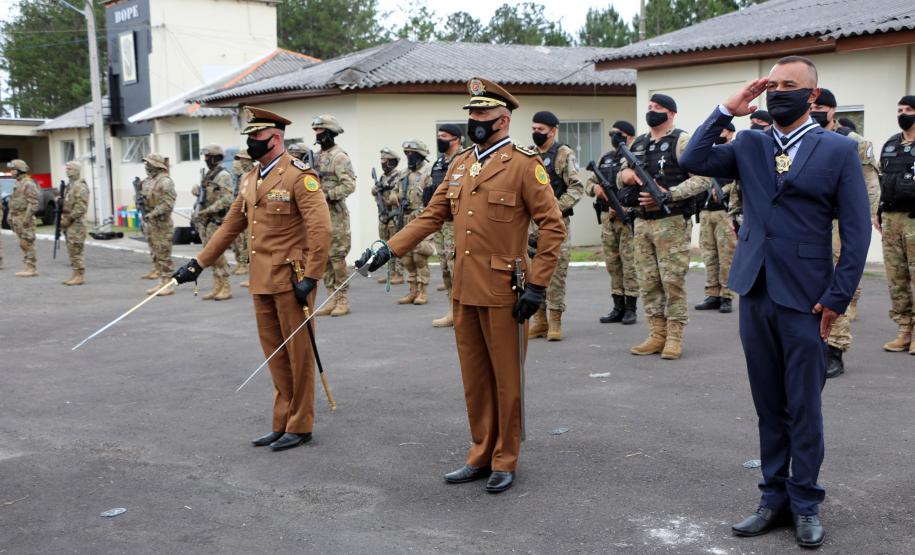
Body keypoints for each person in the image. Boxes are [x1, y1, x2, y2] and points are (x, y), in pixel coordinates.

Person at [679, 56, 871, 548]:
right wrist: (728, 108)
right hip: (757, 288)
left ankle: (805, 502)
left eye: (791, 85)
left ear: (812, 96)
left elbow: (853, 235)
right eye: (773, 84)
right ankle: (773, 498)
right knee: (768, 404)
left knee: (803, 405)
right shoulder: (749, 142)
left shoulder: (838, 150)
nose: (778, 91)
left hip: (808, 296)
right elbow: (693, 159)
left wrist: (837, 297)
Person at [355, 77, 565, 493]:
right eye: (470, 113)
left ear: (503, 119)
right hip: (465, 288)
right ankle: (480, 452)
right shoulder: (460, 163)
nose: (474, 120)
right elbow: (431, 216)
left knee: (506, 378)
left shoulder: (524, 164)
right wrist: (388, 250)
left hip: (506, 289)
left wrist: (537, 286)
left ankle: (506, 458)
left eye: (482, 113)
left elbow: (553, 228)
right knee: (474, 377)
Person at [172, 106, 332, 451]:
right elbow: (231, 226)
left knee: (299, 353)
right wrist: (198, 264)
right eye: (250, 136)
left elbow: (321, 230)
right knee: (274, 353)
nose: (251, 142)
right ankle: (282, 420)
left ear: (275, 138)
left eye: (256, 136)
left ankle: (301, 424)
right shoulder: (249, 178)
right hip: (260, 279)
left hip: (293, 279)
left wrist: (314, 276)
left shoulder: (299, 176)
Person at [617, 93, 711, 360]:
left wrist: (669, 194)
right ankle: (656, 334)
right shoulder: (639, 144)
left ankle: (674, 337)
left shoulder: (682, 141)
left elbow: (703, 179)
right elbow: (621, 174)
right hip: (642, 223)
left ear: (671, 113)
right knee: (648, 282)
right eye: (649, 108)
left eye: (657, 108)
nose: (651, 111)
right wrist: (624, 175)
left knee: (672, 282)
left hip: (671, 222)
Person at [810, 88, 881, 376]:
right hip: (811, 224)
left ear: (833, 111)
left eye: (821, 106)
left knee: (835, 283)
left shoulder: (854, 143)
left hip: (840, 224)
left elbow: (870, 186)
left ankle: (835, 349)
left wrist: (861, 222)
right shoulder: (804, 139)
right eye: (812, 105)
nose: (815, 110)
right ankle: (812, 344)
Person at [527, 111, 584, 341]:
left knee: (556, 273)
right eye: (533, 129)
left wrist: (554, 209)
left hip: (556, 223)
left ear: (553, 131)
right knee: (532, 272)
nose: (536, 133)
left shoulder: (563, 154)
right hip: (530, 226)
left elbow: (576, 188)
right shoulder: (529, 155)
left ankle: (555, 322)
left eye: (540, 130)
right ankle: (539, 321)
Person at [587, 120, 639, 325]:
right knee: (613, 263)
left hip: (627, 219)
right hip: (607, 220)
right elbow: (589, 183)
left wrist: (628, 208)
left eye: (618, 134)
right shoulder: (605, 158)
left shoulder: (633, 157)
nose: (613, 138)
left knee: (629, 264)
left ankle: (630, 308)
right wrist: (596, 190)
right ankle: (617, 306)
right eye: (611, 134)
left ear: (629, 137)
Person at [877, 95, 915, 355]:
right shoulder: (891, 144)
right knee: (896, 278)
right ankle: (904, 330)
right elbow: (882, 179)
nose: (903, 113)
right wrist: (878, 211)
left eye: (909, 109)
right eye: (900, 109)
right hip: (891, 220)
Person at [312, 115, 356, 317]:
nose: (318, 135)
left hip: (335, 215)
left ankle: (342, 299)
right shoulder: (316, 157)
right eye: (316, 131)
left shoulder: (340, 157)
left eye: (321, 131)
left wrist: (327, 195)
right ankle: (331, 298)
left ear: (330, 132)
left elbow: (349, 185)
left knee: (337, 258)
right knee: (324, 258)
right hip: (319, 216)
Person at [695, 123, 738, 314]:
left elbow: (740, 180)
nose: (719, 135)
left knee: (726, 256)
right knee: (709, 255)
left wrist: (725, 190)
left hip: (724, 213)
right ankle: (712, 293)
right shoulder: (708, 153)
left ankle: (726, 296)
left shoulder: (734, 154)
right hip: (706, 212)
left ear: (730, 133)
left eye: (722, 131)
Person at [430, 123, 463, 328]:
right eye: (439, 135)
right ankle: (452, 310)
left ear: (456, 139)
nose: (440, 139)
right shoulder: (439, 163)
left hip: (457, 223)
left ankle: (462, 313)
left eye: (444, 136)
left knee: (457, 269)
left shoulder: (464, 159)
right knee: (445, 268)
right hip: (442, 224)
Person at [395, 139, 435, 306]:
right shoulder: (403, 174)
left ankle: (423, 291)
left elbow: (433, 198)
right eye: (407, 154)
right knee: (406, 257)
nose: (409, 157)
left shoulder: (429, 172)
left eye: (412, 154)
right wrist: (396, 198)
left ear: (420, 155)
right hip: (404, 219)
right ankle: (412, 290)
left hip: (421, 219)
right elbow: (394, 193)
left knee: (420, 256)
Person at [193, 144, 234, 301]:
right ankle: (217, 286)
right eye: (205, 156)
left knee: (218, 255)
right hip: (206, 222)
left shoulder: (223, 175)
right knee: (210, 256)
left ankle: (226, 287)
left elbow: (227, 199)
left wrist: (209, 210)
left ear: (216, 158)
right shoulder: (209, 175)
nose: (206, 159)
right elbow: (204, 195)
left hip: (215, 220)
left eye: (208, 156)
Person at [140, 154, 177, 296]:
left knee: (164, 254)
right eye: (146, 164)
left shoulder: (165, 182)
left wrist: (153, 213)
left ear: (156, 165)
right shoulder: (147, 182)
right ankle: (161, 282)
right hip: (151, 224)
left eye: (149, 164)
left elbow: (168, 203)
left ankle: (168, 284)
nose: (146, 166)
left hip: (162, 224)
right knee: (155, 254)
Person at [372, 147, 405, 285]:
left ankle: (399, 273)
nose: (382, 163)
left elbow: (399, 195)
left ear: (392, 162)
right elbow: (378, 195)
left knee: (395, 244)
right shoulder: (382, 177)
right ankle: (391, 272)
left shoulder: (399, 176)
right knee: (385, 244)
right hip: (383, 215)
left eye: (385, 160)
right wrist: (375, 190)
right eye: (381, 160)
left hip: (394, 216)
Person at [6, 159, 39, 277]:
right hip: (17, 218)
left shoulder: (28, 183)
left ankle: (31, 268)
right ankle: (27, 266)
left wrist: (27, 218)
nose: (11, 172)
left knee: (27, 243)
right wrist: (10, 215)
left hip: (25, 218)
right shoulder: (18, 183)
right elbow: (13, 201)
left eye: (13, 169)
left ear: (20, 170)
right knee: (22, 243)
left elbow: (33, 202)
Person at [60, 161, 90, 285]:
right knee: (71, 249)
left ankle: (80, 275)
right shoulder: (70, 186)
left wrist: (69, 218)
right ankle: (75, 273)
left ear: (77, 171)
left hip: (76, 223)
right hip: (69, 222)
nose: (67, 171)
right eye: (67, 169)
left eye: (70, 169)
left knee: (76, 249)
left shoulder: (81, 186)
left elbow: (81, 207)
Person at [230, 149, 253, 286]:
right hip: (245, 215)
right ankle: (252, 276)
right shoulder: (244, 176)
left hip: (255, 217)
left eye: (243, 159)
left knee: (253, 248)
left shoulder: (257, 173)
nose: (241, 162)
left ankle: (255, 277)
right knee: (246, 245)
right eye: (240, 160)